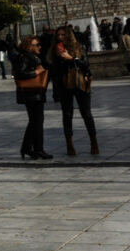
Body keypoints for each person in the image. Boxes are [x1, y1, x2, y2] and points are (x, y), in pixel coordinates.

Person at [47, 25, 98, 155]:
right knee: (67, 114)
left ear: (69, 36)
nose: (60, 37)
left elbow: (85, 64)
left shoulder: (79, 47)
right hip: (64, 84)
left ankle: (94, 142)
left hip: (80, 82)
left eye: (63, 35)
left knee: (86, 113)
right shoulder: (55, 50)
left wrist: (71, 58)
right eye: (58, 35)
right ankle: (69, 145)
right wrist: (60, 59)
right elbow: (53, 68)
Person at [13, 36, 52, 159]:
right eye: (37, 44)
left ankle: (27, 148)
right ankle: (38, 149)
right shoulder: (25, 57)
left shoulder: (28, 56)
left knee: (34, 122)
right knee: (37, 122)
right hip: (32, 93)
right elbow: (20, 73)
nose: (40, 46)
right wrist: (36, 72)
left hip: (34, 93)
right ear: (29, 46)